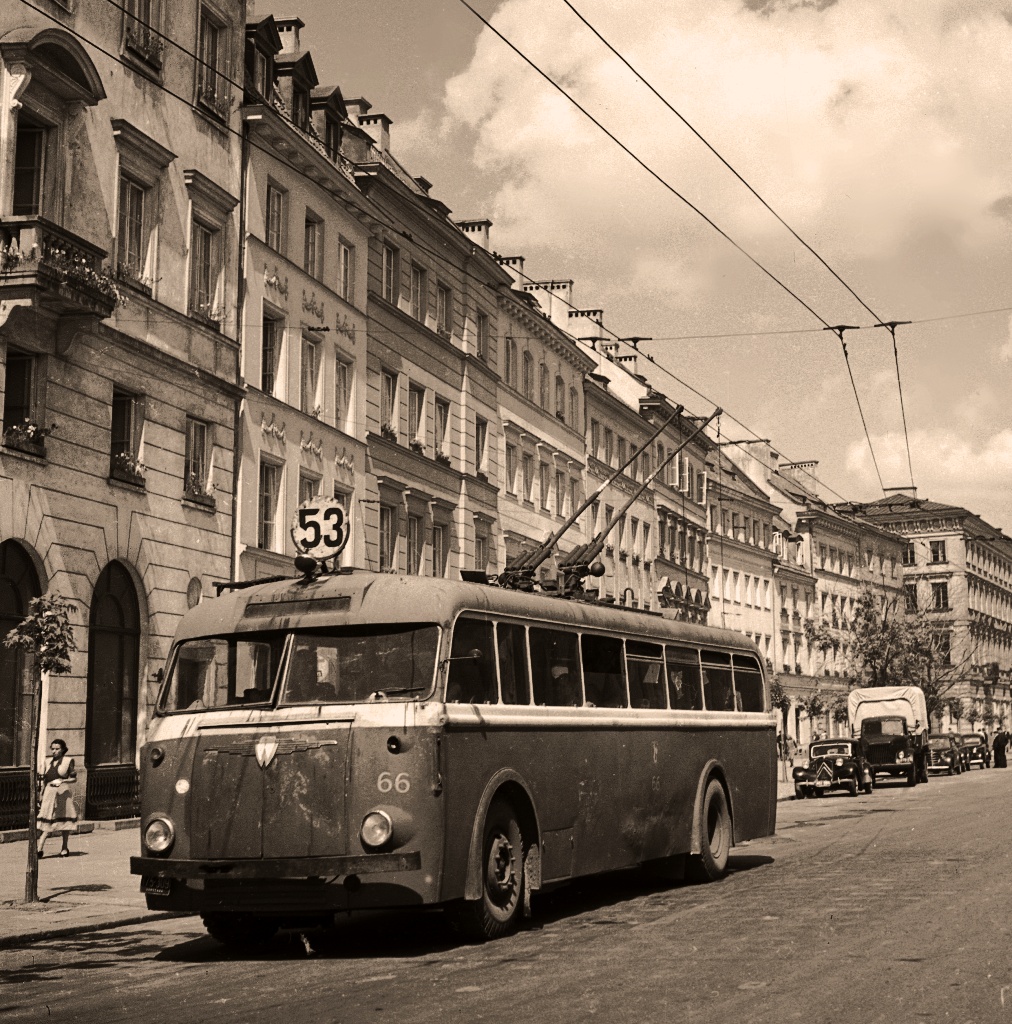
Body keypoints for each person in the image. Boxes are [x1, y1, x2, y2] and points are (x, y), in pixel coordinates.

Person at [37, 738, 78, 858]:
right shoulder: (47, 762)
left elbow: (74, 778)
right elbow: (44, 781)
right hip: (49, 794)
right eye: (53, 749)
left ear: (63, 750)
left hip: (62, 793)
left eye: (57, 749)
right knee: (48, 819)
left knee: (64, 820)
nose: (54, 751)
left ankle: (64, 848)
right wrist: (41, 794)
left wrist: (63, 780)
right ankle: (39, 848)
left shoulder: (68, 761)